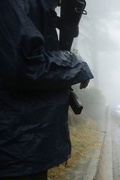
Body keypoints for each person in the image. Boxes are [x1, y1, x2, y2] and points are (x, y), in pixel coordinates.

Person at [0, 0, 94, 179]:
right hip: (15, 149)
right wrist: (76, 65)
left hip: (27, 145)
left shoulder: (38, 6)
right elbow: (24, 65)